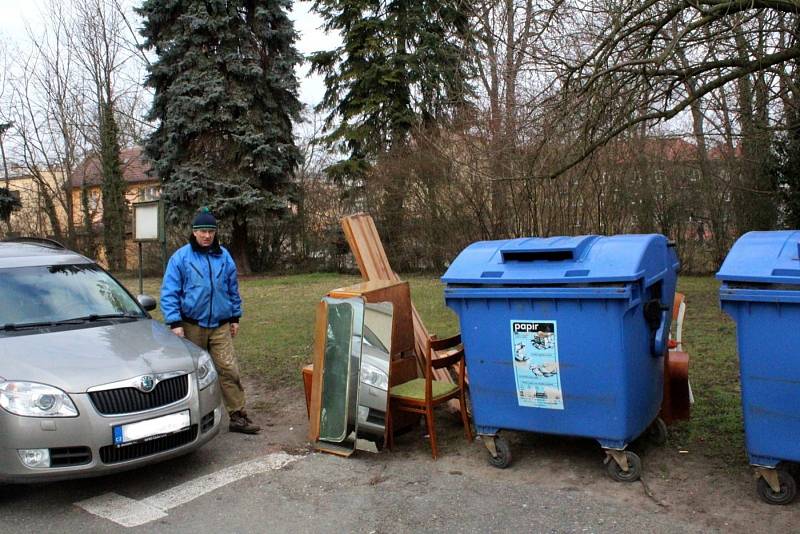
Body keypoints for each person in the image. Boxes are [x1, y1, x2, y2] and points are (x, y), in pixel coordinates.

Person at [160, 208, 260, 434]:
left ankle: (238, 416)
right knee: (194, 373)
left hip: (220, 325)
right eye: (202, 231)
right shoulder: (181, 258)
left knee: (229, 369)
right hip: (191, 325)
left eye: (210, 232)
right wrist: (175, 323)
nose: (207, 236)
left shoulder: (223, 256)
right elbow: (169, 292)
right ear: (194, 233)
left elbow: (232, 288)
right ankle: (191, 419)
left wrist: (235, 316)